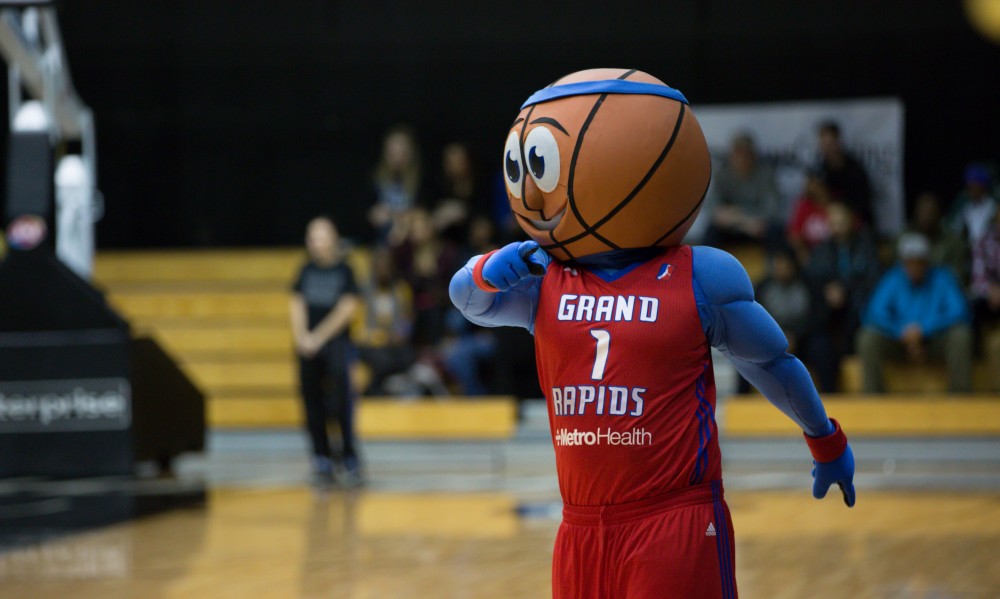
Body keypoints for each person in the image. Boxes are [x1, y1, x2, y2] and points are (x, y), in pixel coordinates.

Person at [451, 69, 855, 599]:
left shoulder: (702, 275)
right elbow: (467, 299)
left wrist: (824, 437)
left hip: (674, 520)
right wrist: (489, 266)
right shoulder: (543, 278)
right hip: (579, 529)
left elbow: (771, 362)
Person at [289, 216, 363, 486]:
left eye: (321, 236)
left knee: (341, 403)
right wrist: (302, 338)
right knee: (312, 403)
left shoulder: (345, 271)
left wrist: (319, 337)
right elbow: (296, 303)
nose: (316, 243)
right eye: (312, 237)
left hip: (335, 346)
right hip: (307, 347)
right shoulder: (305, 270)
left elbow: (347, 308)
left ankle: (349, 456)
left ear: (333, 238)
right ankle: (321, 458)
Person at [856, 232, 973, 394]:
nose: (915, 266)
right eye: (910, 261)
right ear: (902, 262)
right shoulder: (893, 278)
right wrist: (901, 331)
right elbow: (872, 313)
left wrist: (923, 330)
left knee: (960, 336)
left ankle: (960, 398)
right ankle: (873, 398)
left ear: (927, 261)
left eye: (919, 261)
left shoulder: (942, 278)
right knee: (867, 338)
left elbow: (959, 311)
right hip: (898, 340)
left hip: (934, 340)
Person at [802, 202, 881, 392]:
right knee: (819, 337)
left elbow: (873, 279)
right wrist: (829, 291)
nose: (838, 227)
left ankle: (851, 351)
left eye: (842, 222)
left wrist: (844, 290)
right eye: (833, 222)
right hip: (828, 312)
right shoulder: (822, 250)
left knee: (860, 307)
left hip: (857, 308)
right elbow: (812, 278)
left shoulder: (865, 246)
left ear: (851, 222)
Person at [702, 133, 782, 249]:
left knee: (775, 231)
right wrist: (742, 222)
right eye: (737, 153)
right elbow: (713, 207)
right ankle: (708, 266)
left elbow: (771, 209)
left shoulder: (766, 175)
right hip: (732, 228)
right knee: (711, 231)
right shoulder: (723, 175)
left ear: (753, 155)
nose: (741, 158)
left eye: (746, 153)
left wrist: (747, 219)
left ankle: (774, 265)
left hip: (756, 227)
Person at [354, 247, 416, 396]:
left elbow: (407, 320)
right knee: (383, 361)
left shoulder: (402, 289)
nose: (383, 270)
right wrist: (379, 337)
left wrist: (402, 334)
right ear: (373, 268)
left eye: (387, 266)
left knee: (409, 357)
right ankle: (371, 394)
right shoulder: (362, 290)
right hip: (368, 343)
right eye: (379, 266)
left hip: (394, 343)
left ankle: (392, 392)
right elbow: (357, 327)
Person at [368, 124, 423, 244]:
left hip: (414, 239)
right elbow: (368, 213)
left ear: (411, 153)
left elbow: (424, 214)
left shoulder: (422, 180)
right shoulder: (375, 179)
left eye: (402, 153)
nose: (397, 159)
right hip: (382, 240)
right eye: (392, 154)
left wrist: (399, 219)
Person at [816, 121, 873, 226]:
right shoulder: (821, 168)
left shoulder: (854, 170)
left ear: (838, 142)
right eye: (823, 143)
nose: (827, 148)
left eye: (830, 143)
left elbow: (861, 205)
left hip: (854, 223)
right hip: (829, 223)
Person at [908, 191, 970, 285]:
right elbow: (898, 275)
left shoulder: (954, 241)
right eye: (922, 211)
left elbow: (958, 276)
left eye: (930, 211)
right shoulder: (906, 238)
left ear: (939, 213)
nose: (926, 216)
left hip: (944, 291)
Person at [971, 210, 1000, 391]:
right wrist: (991, 290)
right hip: (992, 307)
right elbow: (977, 280)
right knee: (995, 345)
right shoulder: (984, 241)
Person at [786, 170, 833, 265]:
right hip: (809, 251)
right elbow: (794, 233)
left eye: (813, 182)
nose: (809, 186)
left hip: (832, 252)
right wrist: (802, 251)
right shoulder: (804, 205)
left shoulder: (836, 204)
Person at [948, 163, 997, 250]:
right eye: (970, 185)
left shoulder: (993, 206)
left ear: (983, 185)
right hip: (971, 251)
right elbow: (956, 230)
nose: (972, 189)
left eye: (975, 185)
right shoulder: (966, 208)